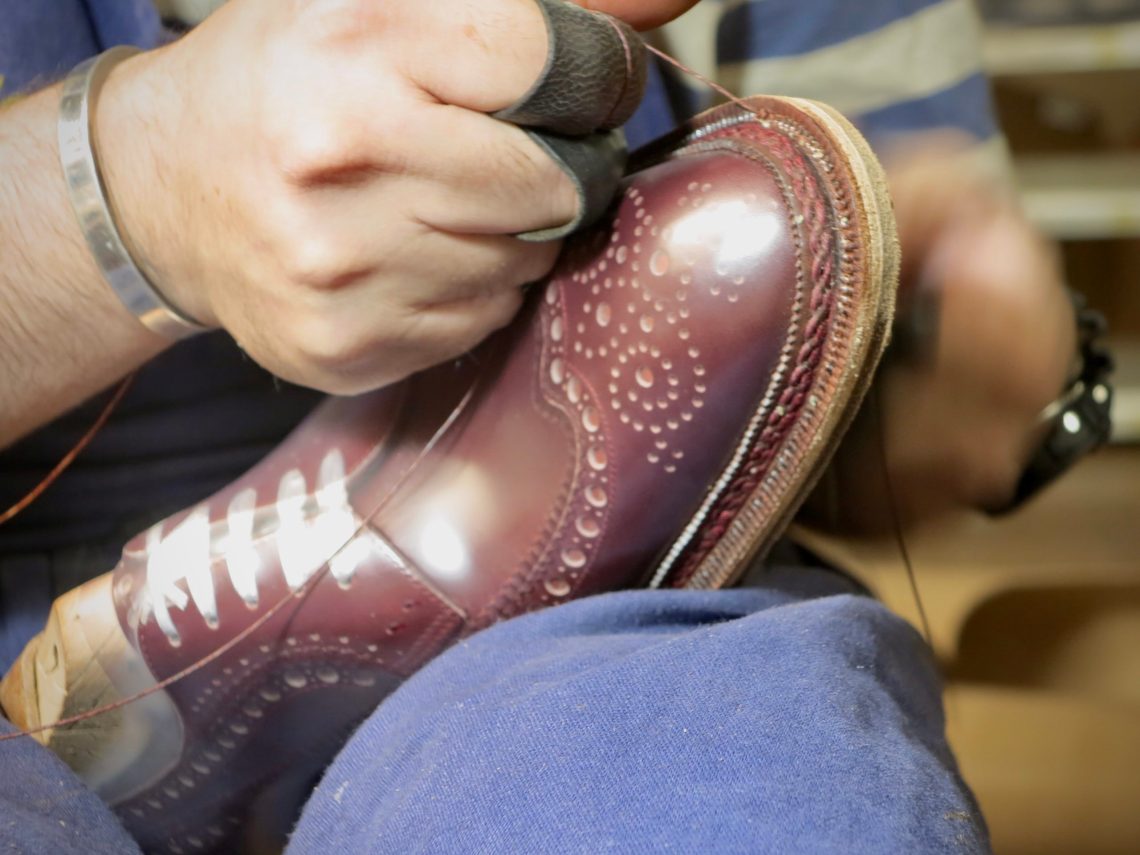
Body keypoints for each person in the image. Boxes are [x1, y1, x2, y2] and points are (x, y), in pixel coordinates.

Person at [0, 0, 1082, 852]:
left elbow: (883, 374)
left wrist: (928, 343)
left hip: (588, 598)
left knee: (722, 766)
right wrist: (127, 186)